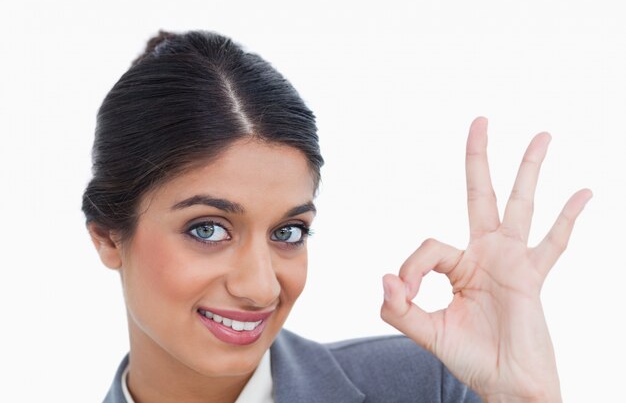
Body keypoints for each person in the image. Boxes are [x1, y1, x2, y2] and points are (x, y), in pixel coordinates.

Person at [83, 30, 591, 403]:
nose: (261, 287)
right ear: (109, 237)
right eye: (209, 229)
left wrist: (529, 400)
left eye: (288, 232)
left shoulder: (429, 387)